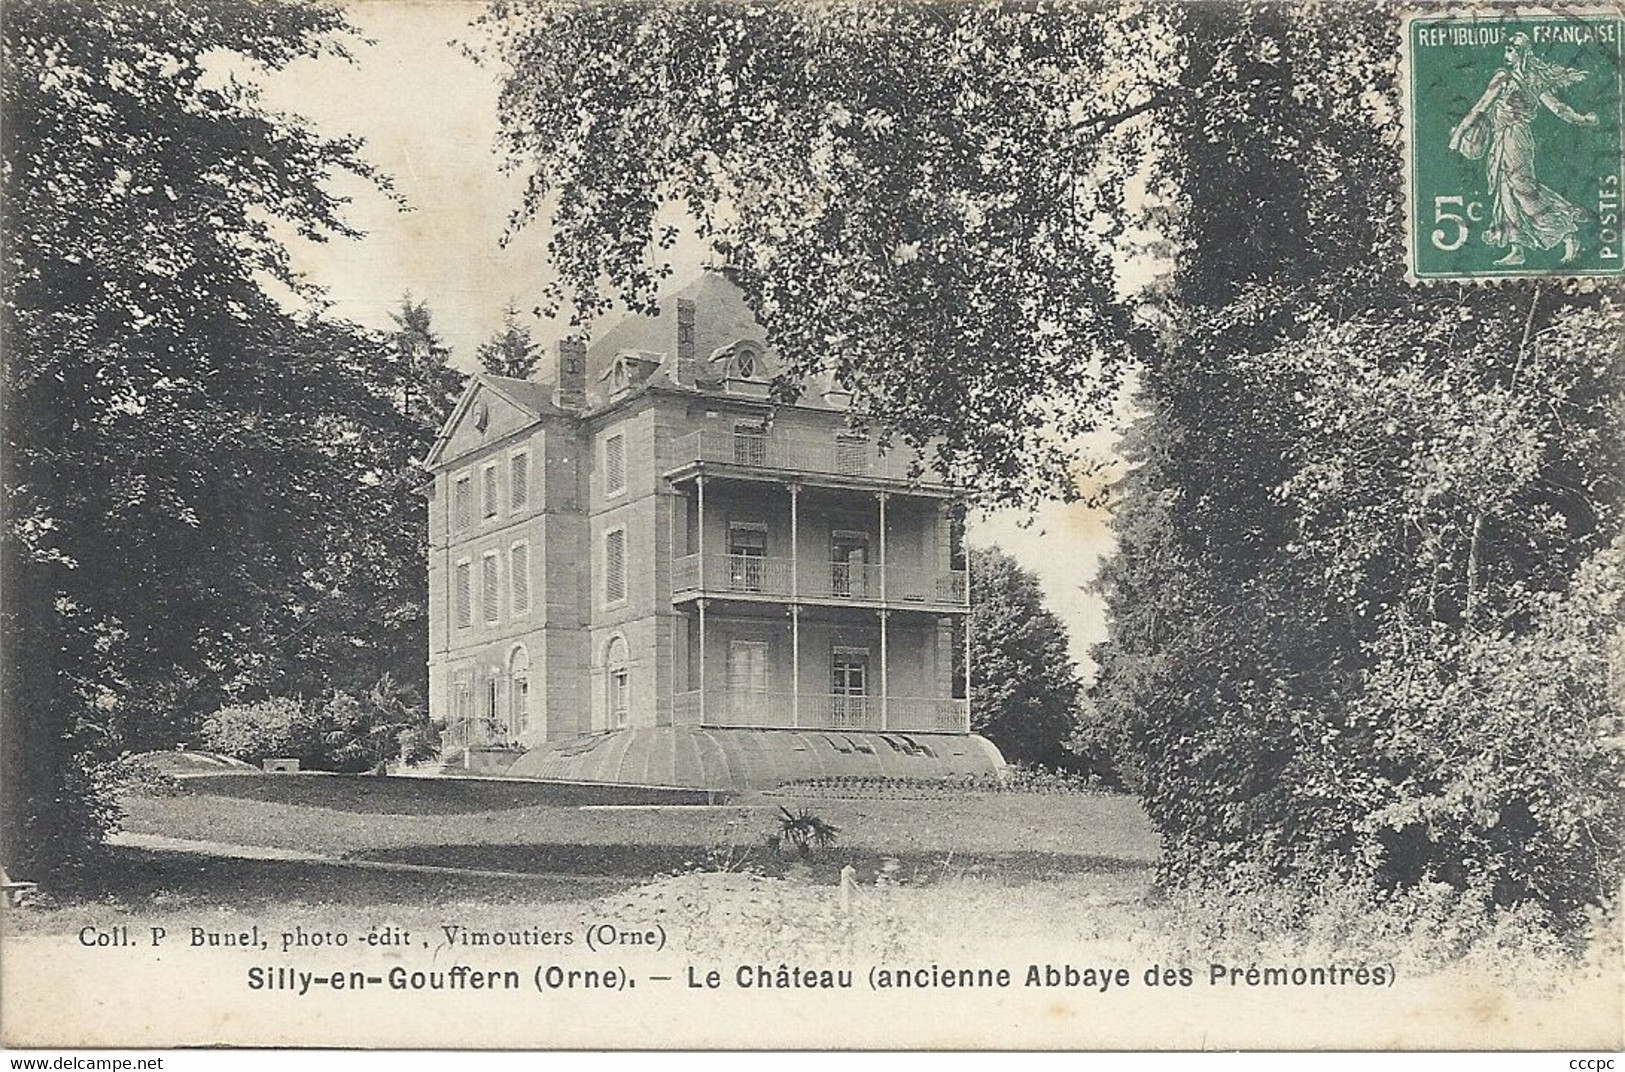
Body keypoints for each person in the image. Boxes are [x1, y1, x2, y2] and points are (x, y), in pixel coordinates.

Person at [1449, 32, 1599, 266]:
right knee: (1505, 190)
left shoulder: (1529, 80)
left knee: (1523, 189)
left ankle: (1567, 232)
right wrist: (1459, 134)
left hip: (1516, 140)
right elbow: (1480, 107)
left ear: (1524, 52)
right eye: (1508, 45)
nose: (1508, 48)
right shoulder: (1503, 77)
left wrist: (1583, 120)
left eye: (1514, 46)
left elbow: (1557, 108)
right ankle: (1517, 248)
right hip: (1501, 140)